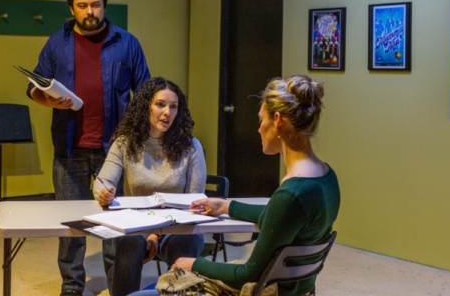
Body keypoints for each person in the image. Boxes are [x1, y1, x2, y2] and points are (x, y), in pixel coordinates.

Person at [129, 75, 340, 296]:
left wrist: (192, 264)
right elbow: (277, 216)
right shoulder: (326, 178)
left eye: (261, 121)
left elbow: (248, 275)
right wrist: (227, 207)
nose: (259, 129)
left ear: (277, 121)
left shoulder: (291, 194)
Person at [27, 0, 150, 296]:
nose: (89, 11)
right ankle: (72, 286)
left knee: (115, 225)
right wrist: (49, 100)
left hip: (117, 152)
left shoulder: (127, 43)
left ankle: (117, 285)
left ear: (104, 6)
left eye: (95, 4)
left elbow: (146, 92)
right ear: (72, 9)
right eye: (82, 5)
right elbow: (34, 88)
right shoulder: (56, 43)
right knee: (72, 226)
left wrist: (140, 137)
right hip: (70, 150)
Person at [93, 77, 206, 296]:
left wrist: (157, 234)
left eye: (173, 107)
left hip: (179, 225)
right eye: (160, 104)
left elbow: (193, 203)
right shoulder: (124, 143)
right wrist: (104, 193)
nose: (167, 113)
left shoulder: (191, 147)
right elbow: (103, 181)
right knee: (129, 241)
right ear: (146, 107)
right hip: (137, 225)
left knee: (186, 239)